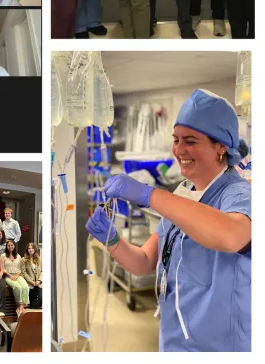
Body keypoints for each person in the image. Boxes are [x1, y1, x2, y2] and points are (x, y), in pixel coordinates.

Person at [86, 89, 251, 351]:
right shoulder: (184, 194)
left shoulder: (240, 194)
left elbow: (231, 235)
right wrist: (113, 241)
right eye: (176, 139)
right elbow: (144, 262)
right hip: (174, 342)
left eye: (191, 140)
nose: (179, 149)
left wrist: (149, 195)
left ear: (220, 147)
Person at [1, 239, 29, 314]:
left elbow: (20, 268)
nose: (10, 247)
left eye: (12, 245)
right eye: (8, 245)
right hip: (8, 276)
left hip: (17, 275)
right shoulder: (3, 256)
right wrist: (10, 275)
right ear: (6, 247)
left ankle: (20, 307)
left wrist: (16, 275)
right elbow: (2, 268)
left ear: (14, 246)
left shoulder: (18, 256)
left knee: (25, 286)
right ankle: (20, 306)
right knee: (18, 287)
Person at [21, 242, 42, 310]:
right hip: (30, 284)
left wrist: (39, 280)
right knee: (33, 305)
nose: (31, 250)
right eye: (29, 248)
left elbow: (43, 271)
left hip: (39, 283)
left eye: (32, 248)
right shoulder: (23, 260)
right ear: (27, 250)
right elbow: (23, 273)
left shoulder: (39, 259)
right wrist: (31, 281)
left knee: (41, 300)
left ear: (35, 249)